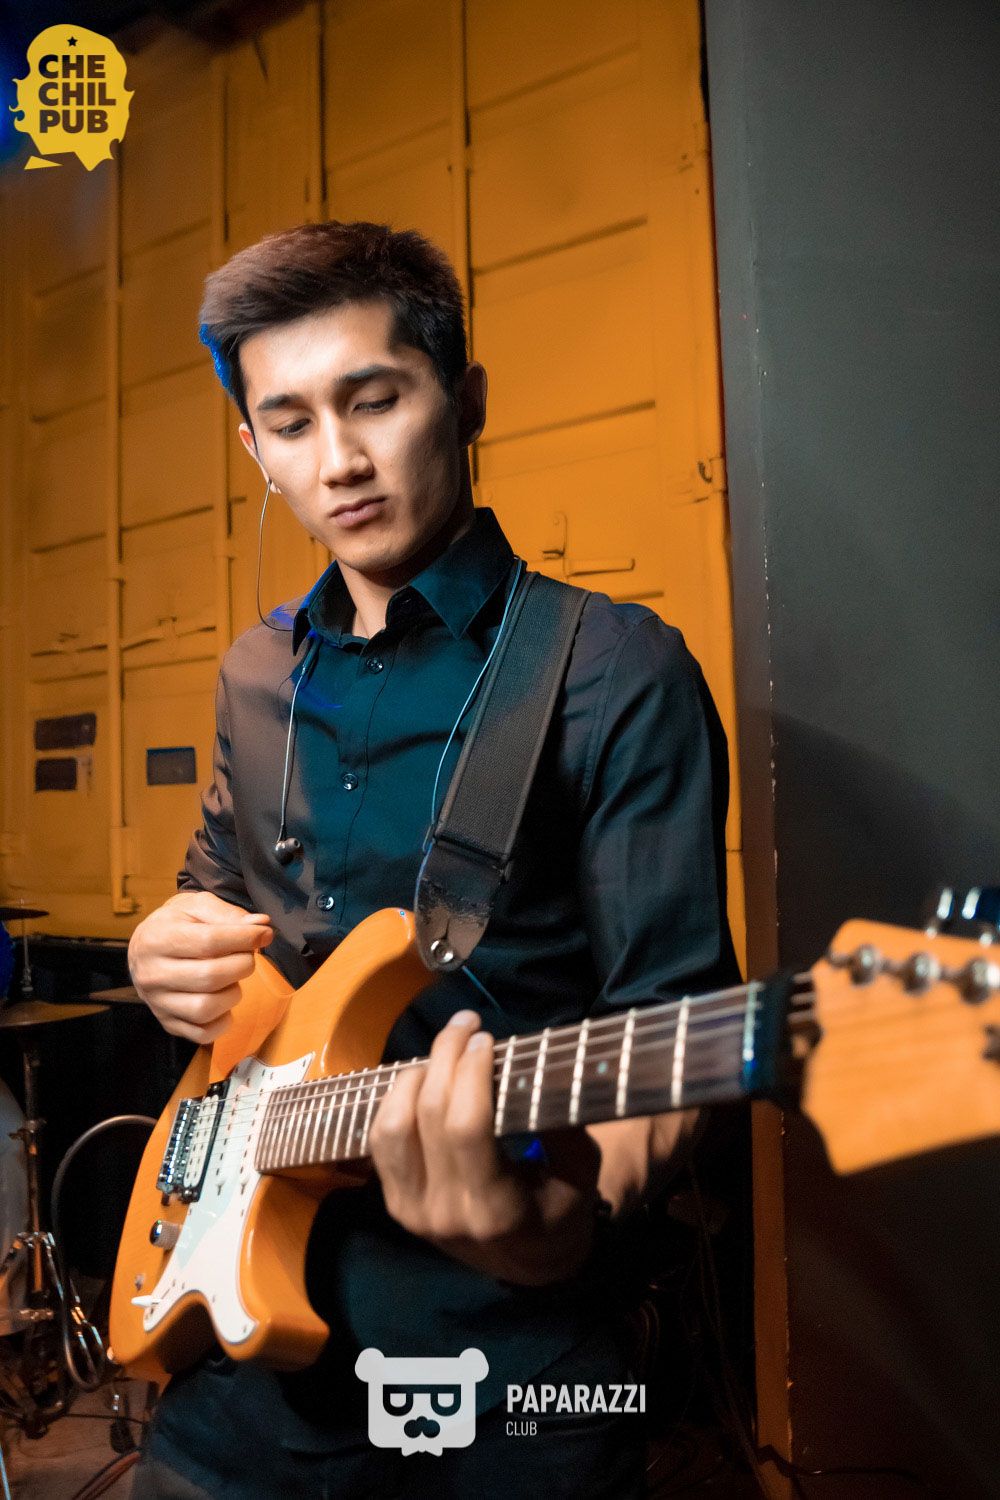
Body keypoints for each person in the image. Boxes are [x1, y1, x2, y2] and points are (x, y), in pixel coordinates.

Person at [126, 220, 740, 1498]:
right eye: (289, 423)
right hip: (239, 1350)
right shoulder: (254, 673)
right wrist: (161, 948)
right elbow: (215, 897)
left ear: (464, 400)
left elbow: (673, 1035)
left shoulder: (612, 672)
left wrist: (541, 1225)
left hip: (510, 1369)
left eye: (375, 400)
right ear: (253, 449)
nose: (338, 460)